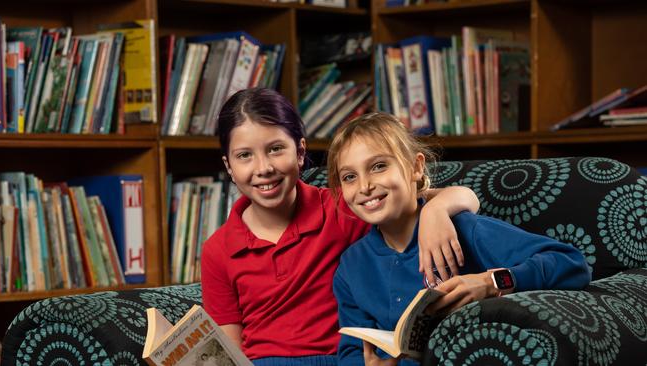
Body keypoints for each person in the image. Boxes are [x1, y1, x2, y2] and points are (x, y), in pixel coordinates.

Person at [200, 88, 481, 365]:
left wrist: (436, 210)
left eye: (275, 149)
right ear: (229, 166)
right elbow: (229, 351)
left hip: (339, 359)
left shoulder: (344, 207)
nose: (263, 168)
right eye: (244, 156)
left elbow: (462, 197)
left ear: (300, 152)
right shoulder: (217, 250)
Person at [327, 112, 591, 366]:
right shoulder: (351, 267)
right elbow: (351, 348)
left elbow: (572, 263)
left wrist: (490, 282)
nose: (364, 186)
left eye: (378, 166)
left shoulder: (464, 229)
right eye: (350, 177)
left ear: (415, 167)